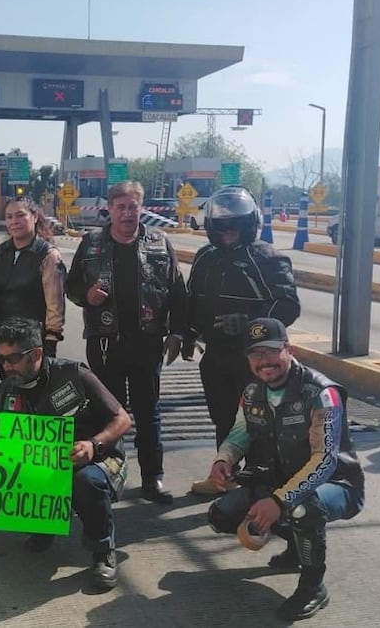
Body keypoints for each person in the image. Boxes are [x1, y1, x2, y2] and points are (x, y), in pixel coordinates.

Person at [204, 318, 364, 621]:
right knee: (222, 514)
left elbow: (325, 461)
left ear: (288, 349)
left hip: (337, 485)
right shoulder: (252, 392)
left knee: (302, 508)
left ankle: (313, 586)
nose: (264, 362)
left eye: (270, 352)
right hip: (279, 479)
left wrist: (278, 501)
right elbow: (241, 431)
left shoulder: (321, 392)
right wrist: (222, 461)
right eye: (255, 355)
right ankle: (295, 546)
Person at [0, 317, 133, 591]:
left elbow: (122, 419)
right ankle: (45, 524)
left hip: (98, 459)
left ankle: (103, 551)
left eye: (14, 358)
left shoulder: (75, 374)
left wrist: (93, 444)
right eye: (3, 359)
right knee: (10, 466)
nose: (6, 366)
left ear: (37, 353)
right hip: (48, 464)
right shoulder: (9, 387)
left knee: (86, 481)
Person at [66, 181, 188, 504]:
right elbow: (72, 286)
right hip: (105, 345)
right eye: (121, 207)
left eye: (133, 206)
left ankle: (153, 479)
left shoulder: (160, 243)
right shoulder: (91, 243)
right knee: (110, 414)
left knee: (149, 413)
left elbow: (178, 292)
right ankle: (109, 475)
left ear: (141, 208)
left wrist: (176, 333)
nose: (127, 213)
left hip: (147, 343)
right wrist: (87, 297)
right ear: (110, 209)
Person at [185, 186, 300, 495]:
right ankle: (224, 476)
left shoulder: (267, 258)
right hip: (216, 356)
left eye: (236, 224)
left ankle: (263, 485)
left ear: (250, 224)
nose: (229, 231)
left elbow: (288, 305)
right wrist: (186, 333)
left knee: (259, 422)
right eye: (222, 225)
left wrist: (250, 324)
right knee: (222, 418)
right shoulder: (205, 257)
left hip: (257, 360)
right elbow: (191, 300)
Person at [0, 197, 66, 359]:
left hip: (33, 343)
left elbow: (55, 305)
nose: (14, 222)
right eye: (9, 217)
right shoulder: (1, 252)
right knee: (8, 384)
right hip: (3, 340)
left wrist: (51, 340)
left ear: (35, 217)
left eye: (20, 215)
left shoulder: (48, 255)